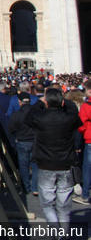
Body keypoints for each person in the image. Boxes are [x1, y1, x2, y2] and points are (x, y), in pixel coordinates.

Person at [26, 87, 82, 224]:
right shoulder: (69, 118)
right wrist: (65, 101)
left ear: (46, 102)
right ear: (62, 102)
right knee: (64, 205)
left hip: (45, 164)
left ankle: (54, 230)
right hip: (65, 163)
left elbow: (28, 117)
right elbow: (75, 115)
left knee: (47, 203)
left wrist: (40, 103)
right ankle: (63, 233)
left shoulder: (40, 118)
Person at [8, 92, 39, 197]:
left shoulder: (16, 114)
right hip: (35, 140)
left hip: (22, 141)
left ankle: (26, 187)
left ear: (20, 102)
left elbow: (11, 128)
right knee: (35, 165)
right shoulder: (37, 113)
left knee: (23, 165)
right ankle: (35, 187)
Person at [75, 85, 91, 205]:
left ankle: (85, 195)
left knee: (87, 168)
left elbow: (81, 125)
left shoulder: (86, 106)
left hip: (89, 139)